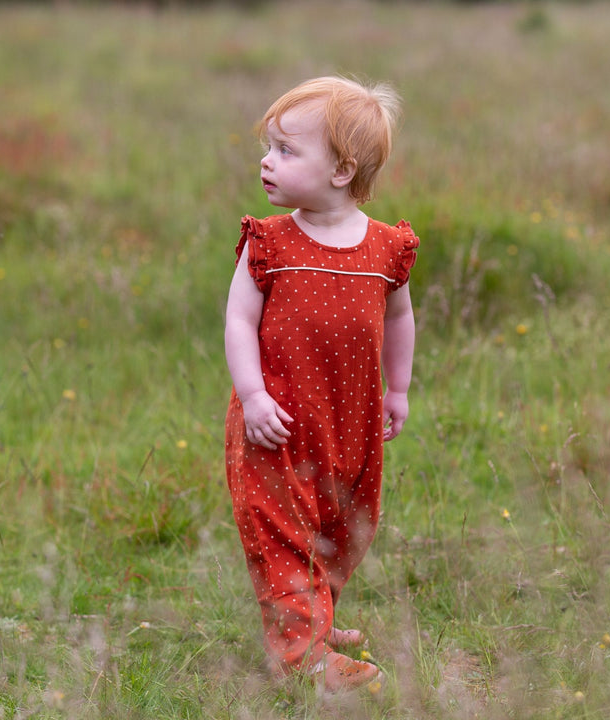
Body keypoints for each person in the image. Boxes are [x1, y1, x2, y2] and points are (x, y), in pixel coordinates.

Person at [224, 76, 418, 692]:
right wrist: (252, 396)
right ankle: (303, 659)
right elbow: (239, 319)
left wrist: (399, 390)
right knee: (281, 528)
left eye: (286, 150)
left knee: (343, 523)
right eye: (269, 147)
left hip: (349, 418)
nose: (267, 160)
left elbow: (399, 316)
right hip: (276, 422)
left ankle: (313, 613)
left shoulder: (386, 249)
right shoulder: (270, 243)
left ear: (342, 171)